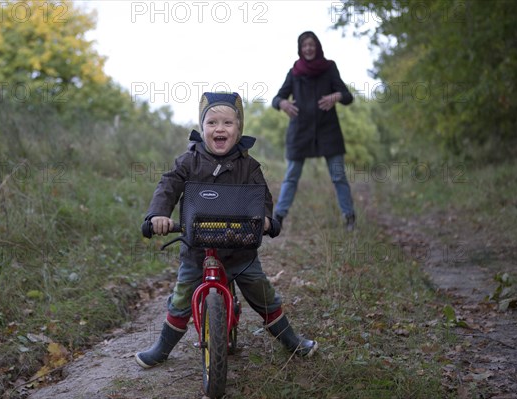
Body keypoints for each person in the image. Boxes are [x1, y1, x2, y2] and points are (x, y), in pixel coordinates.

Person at [135, 92, 318, 368]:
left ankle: (290, 340)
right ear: (202, 126)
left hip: (239, 250)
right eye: (212, 123)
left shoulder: (249, 166)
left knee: (262, 291)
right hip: (197, 249)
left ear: (239, 127)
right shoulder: (189, 161)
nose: (219, 129)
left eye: (228, 123)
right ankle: (162, 348)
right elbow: (168, 186)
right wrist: (158, 215)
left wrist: (266, 220)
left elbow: (262, 198)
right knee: (183, 296)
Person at [272, 31, 356, 231]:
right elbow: (277, 98)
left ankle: (349, 217)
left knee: (338, 176)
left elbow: (347, 96)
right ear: (300, 49)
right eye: (304, 45)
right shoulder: (294, 72)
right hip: (300, 131)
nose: (308, 48)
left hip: (328, 130)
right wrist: (283, 103)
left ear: (317, 47)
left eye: (312, 45)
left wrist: (335, 96)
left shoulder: (329, 68)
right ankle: (278, 217)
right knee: (291, 176)